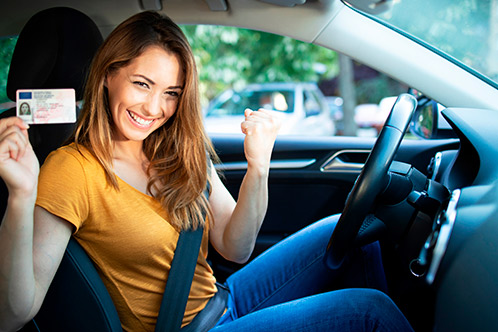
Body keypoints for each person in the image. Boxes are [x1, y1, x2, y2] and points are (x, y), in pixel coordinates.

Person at [0, 11, 414, 332]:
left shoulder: (175, 148)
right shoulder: (70, 169)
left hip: (220, 301)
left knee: (352, 233)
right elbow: (15, 314)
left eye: (171, 94)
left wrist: (258, 165)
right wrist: (20, 196)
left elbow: (235, 247)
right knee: (370, 313)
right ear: (109, 74)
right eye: (142, 84)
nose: (154, 109)